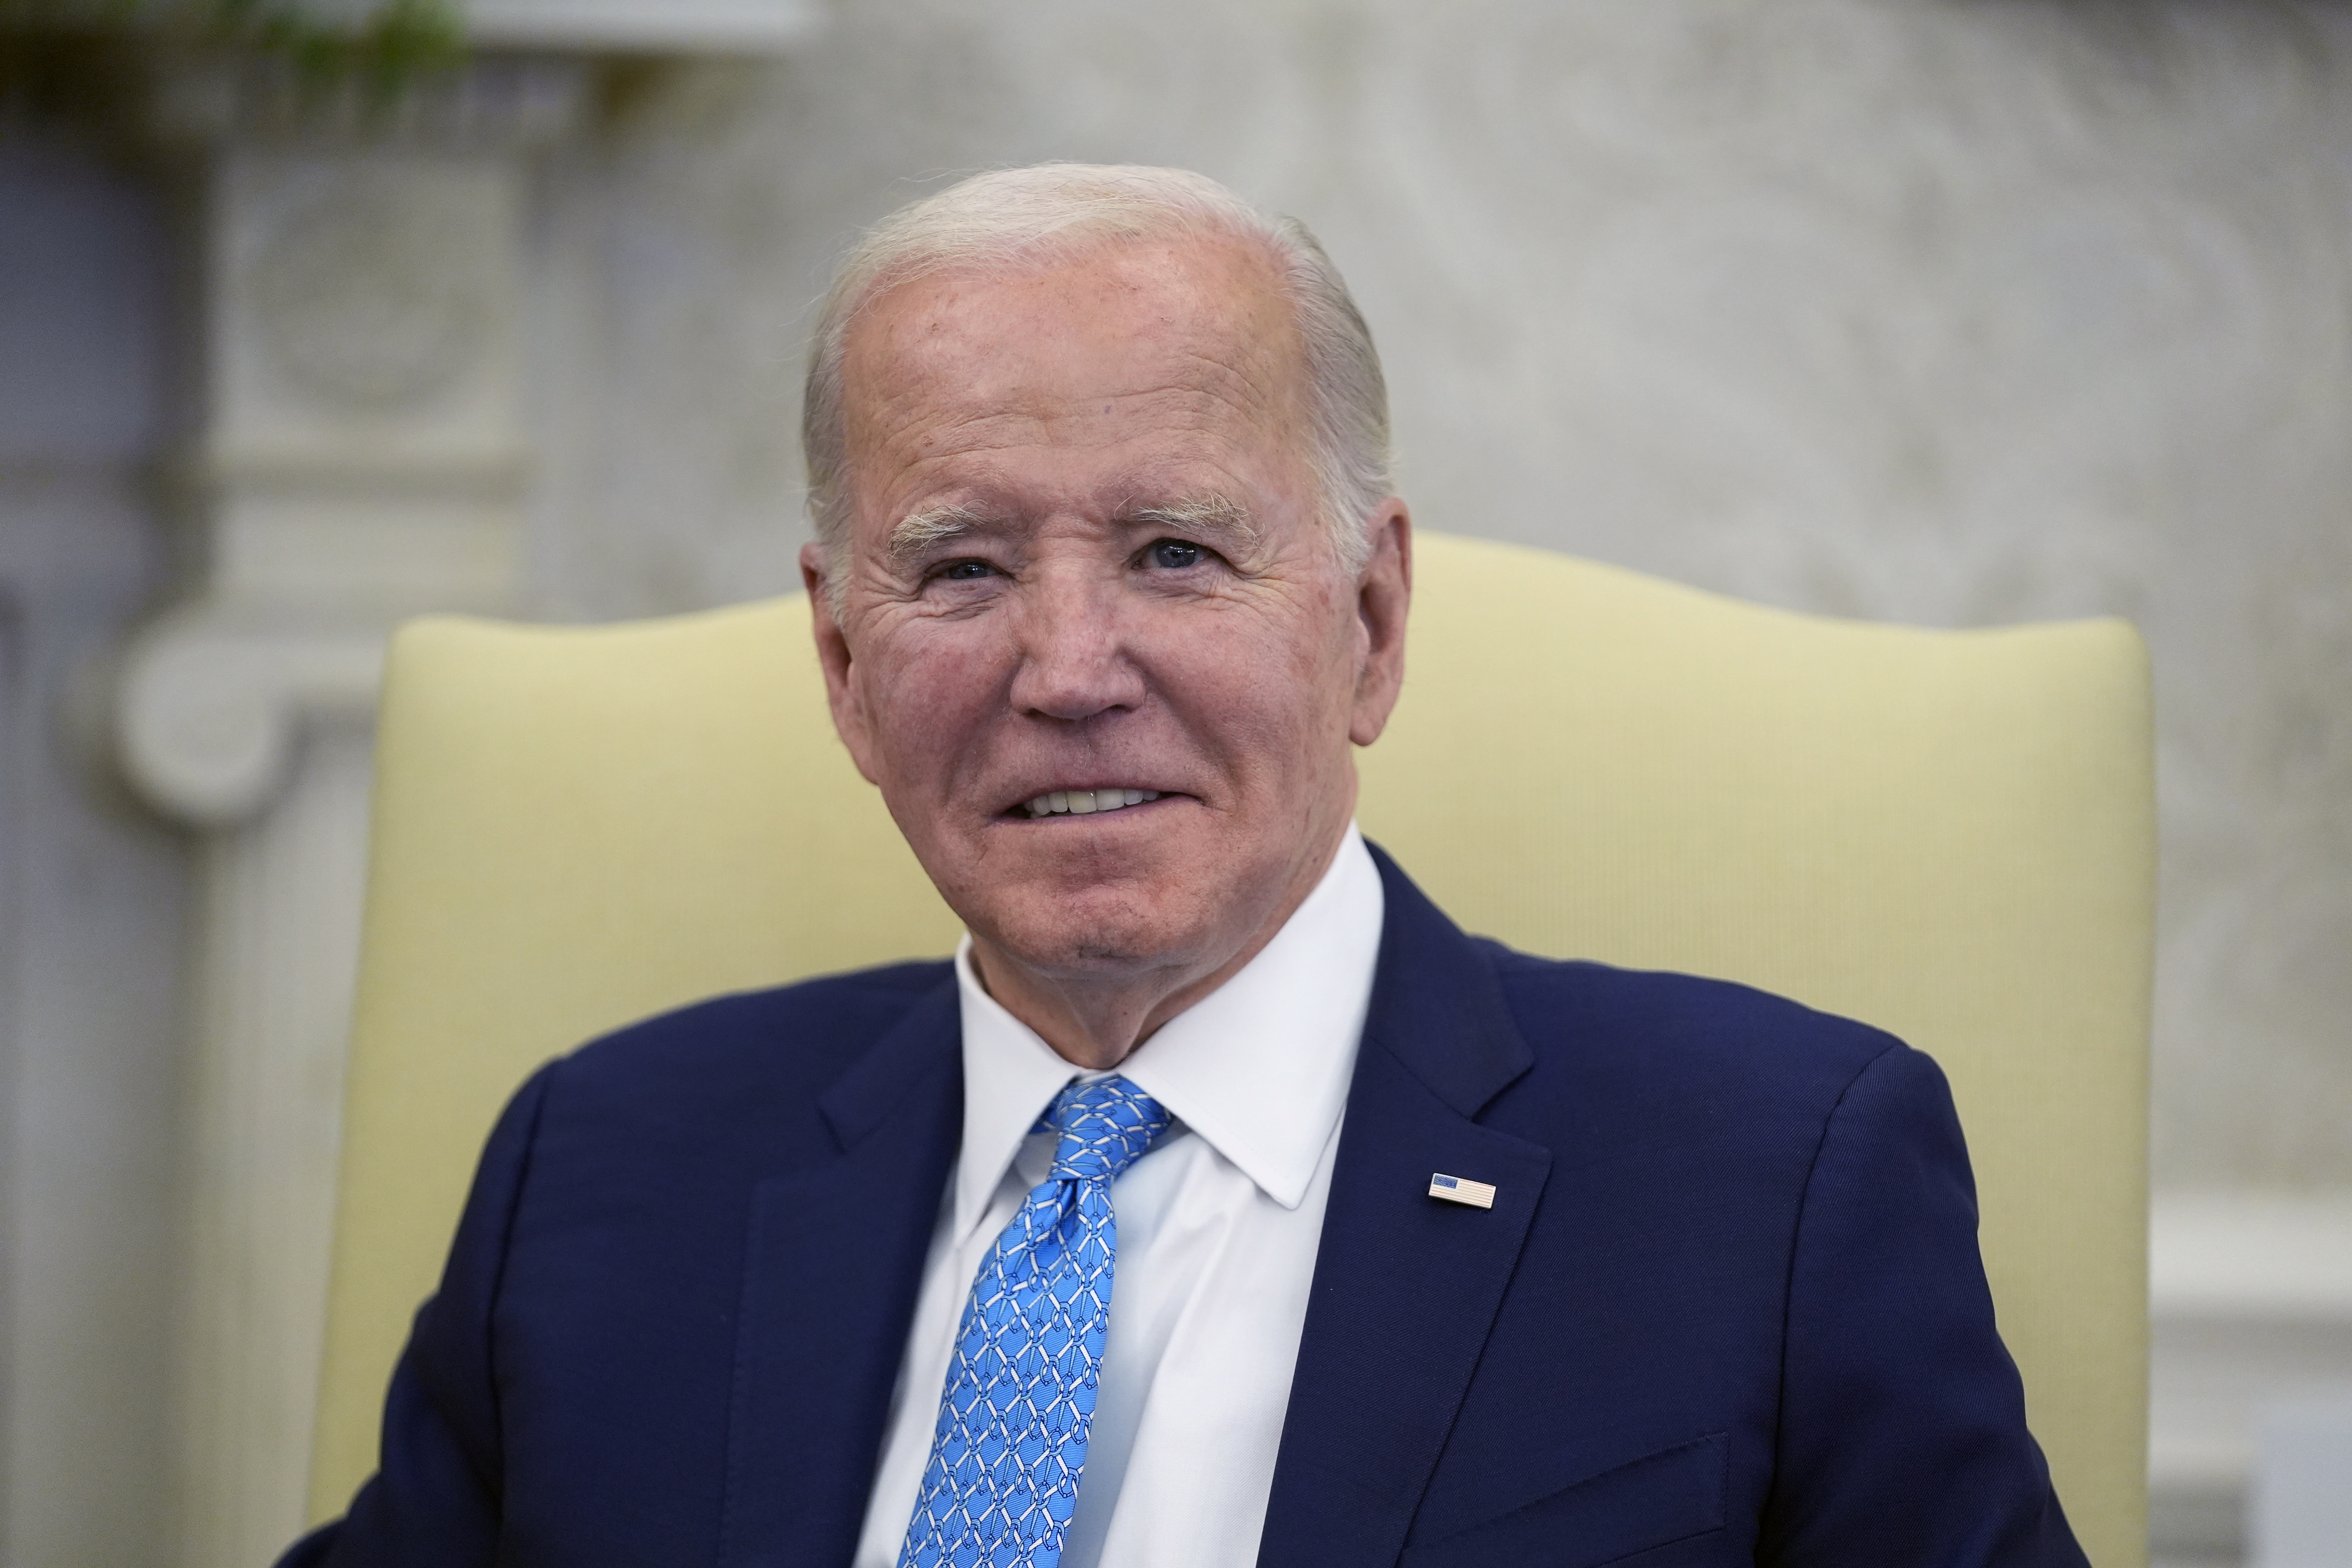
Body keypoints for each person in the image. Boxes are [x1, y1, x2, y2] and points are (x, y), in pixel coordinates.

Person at [280, 164, 2087, 1568]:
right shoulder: (598, 1172)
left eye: (1173, 553)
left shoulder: (1774, 1181)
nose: (1068, 672)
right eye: (965, 569)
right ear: (842, 660)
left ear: (1370, 621)